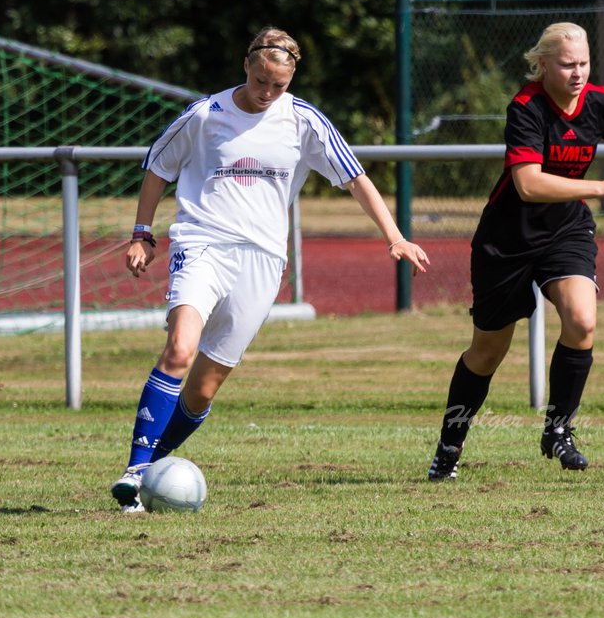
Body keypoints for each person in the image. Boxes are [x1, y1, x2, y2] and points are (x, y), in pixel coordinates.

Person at [109, 26, 431, 512]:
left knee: (202, 390)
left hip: (261, 262)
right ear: (247, 65)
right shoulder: (204, 115)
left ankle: (152, 468)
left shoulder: (305, 121)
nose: (266, 93)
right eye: (261, 80)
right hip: (203, 243)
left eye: (278, 85)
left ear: (291, 79)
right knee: (179, 348)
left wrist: (395, 237)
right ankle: (134, 471)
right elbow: (158, 167)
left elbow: (355, 178)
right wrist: (142, 233)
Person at [426, 22, 604, 481]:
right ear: (543, 64)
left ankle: (558, 429)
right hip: (506, 240)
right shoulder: (526, 108)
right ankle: (449, 447)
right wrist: (603, 186)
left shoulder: (600, 100)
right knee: (487, 352)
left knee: (583, 321)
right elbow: (528, 186)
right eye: (567, 64)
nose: (577, 73)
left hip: (565, 231)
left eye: (584, 63)